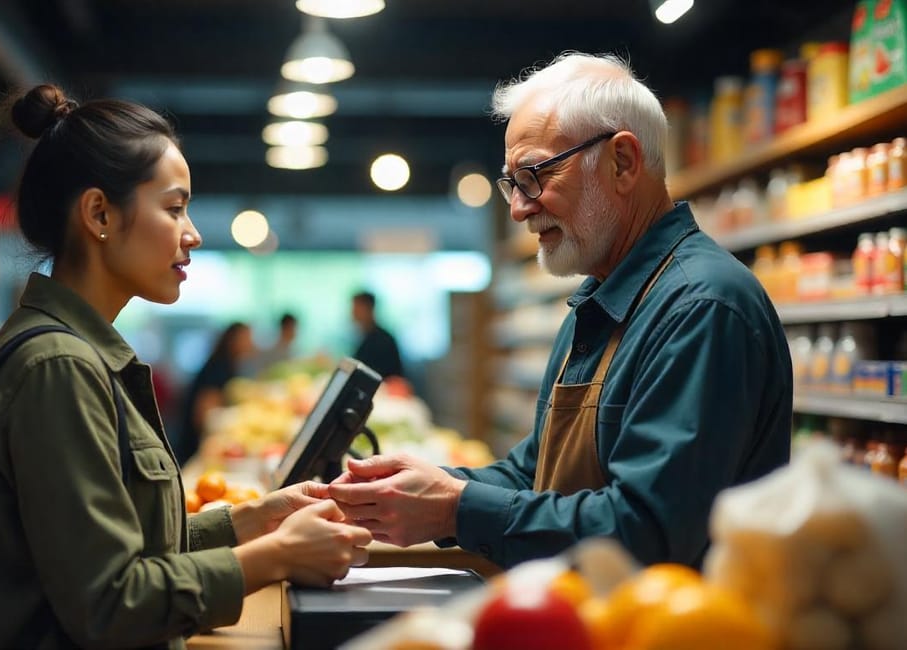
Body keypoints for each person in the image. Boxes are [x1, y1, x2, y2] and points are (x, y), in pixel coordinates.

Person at [328, 53, 792, 570]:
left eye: (534, 175)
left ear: (623, 162)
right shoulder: (599, 303)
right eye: (512, 183)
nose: (518, 207)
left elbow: (652, 530)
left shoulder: (701, 308)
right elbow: (536, 472)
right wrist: (426, 486)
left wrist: (456, 510)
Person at [0, 84, 370, 649]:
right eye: (174, 207)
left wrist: (254, 520)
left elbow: (125, 544)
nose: (193, 233)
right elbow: (109, 601)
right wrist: (278, 556)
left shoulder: (75, 353)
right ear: (99, 212)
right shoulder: (58, 368)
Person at [174, 321, 255, 464]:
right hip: (191, 448)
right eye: (247, 338)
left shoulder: (227, 364)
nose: (251, 344)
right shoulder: (218, 368)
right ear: (233, 340)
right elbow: (204, 414)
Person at [350, 290, 405, 379]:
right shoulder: (363, 337)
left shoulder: (383, 340)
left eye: (356, 307)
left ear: (368, 309)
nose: (352, 312)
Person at [248, 312, 298, 376]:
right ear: (285, 328)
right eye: (293, 328)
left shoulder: (289, 349)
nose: (295, 332)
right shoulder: (272, 349)